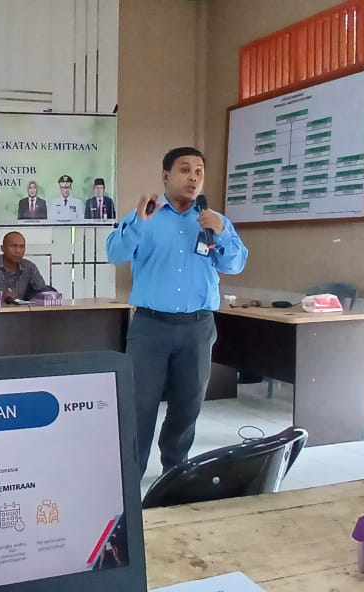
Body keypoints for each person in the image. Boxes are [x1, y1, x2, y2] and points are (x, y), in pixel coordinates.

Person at [105, 147, 249, 478]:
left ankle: (176, 471)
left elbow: (235, 264)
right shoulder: (145, 216)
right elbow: (115, 253)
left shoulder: (214, 220)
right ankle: (131, 476)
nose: (193, 177)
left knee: (188, 404)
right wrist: (137, 224)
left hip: (198, 327)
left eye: (199, 171)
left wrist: (222, 232)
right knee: (140, 404)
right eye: (185, 170)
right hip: (150, 327)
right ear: (166, 176)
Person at [0, 231, 48, 304]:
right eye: (13, 246)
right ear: (2, 248)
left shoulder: (29, 267)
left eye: (22, 247)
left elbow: (43, 292)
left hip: (20, 311)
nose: (18, 251)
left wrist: (32, 300)